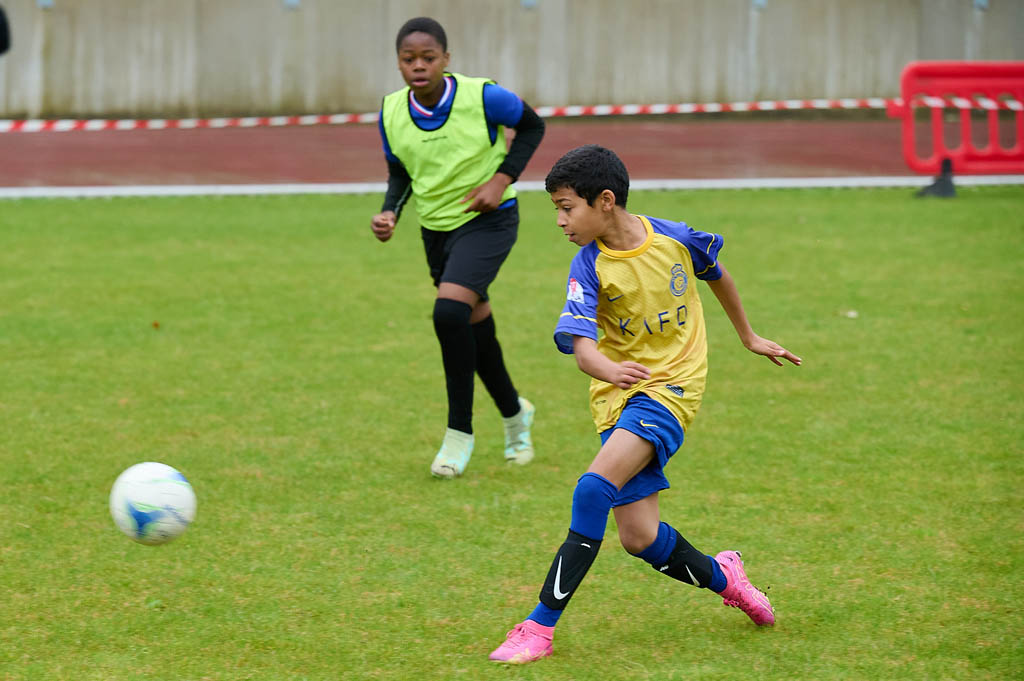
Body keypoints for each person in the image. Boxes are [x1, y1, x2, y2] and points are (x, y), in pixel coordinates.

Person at [488, 145, 802, 664]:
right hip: (617, 397)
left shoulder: (675, 239)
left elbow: (717, 273)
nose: (560, 221)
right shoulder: (588, 266)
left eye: (567, 208)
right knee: (640, 538)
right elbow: (583, 349)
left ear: (605, 201)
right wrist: (609, 370)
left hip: (671, 389)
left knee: (592, 490)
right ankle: (727, 578)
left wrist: (747, 336)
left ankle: (538, 628)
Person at [370, 17, 545, 479]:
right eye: (409, 59)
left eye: (428, 58)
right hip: (436, 229)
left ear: (445, 59)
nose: (418, 66)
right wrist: (389, 213)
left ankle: (458, 434)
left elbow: (532, 126)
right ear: (398, 64)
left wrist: (501, 179)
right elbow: (400, 172)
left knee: (448, 313)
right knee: (472, 325)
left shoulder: (483, 96)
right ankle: (516, 416)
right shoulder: (390, 111)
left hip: (489, 220)